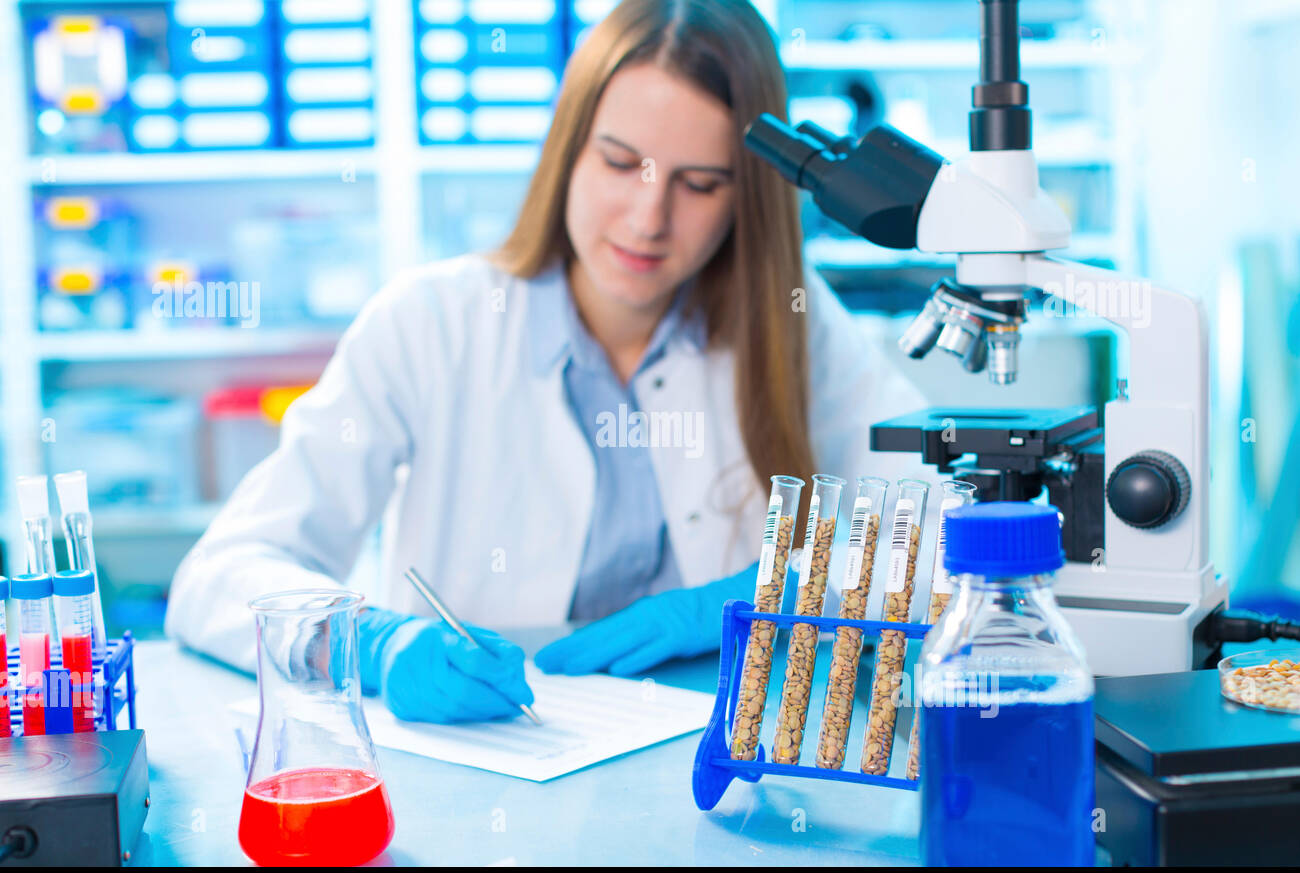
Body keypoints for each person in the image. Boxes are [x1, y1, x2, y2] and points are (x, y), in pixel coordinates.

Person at [165, 0, 931, 723]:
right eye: (619, 161)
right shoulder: (431, 322)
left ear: (748, 199)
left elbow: (941, 533)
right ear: (567, 150)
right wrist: (372, 643)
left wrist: (793, 590)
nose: (647, 218)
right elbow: (222, 576)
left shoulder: (792, 320)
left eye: (700, 184)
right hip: (489, 770)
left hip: (716, 777)